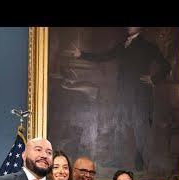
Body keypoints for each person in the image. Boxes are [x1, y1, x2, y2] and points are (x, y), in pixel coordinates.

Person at [67, 27, 171, 171]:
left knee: (141, 129)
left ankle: (141, 163)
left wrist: (154, 79)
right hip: (123, 94)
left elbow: (166, 66)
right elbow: (104, 56)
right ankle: (116, 160)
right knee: (119, 126)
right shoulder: (123, 44)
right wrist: (81, 55)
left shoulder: (148, 46)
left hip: (140, 95)